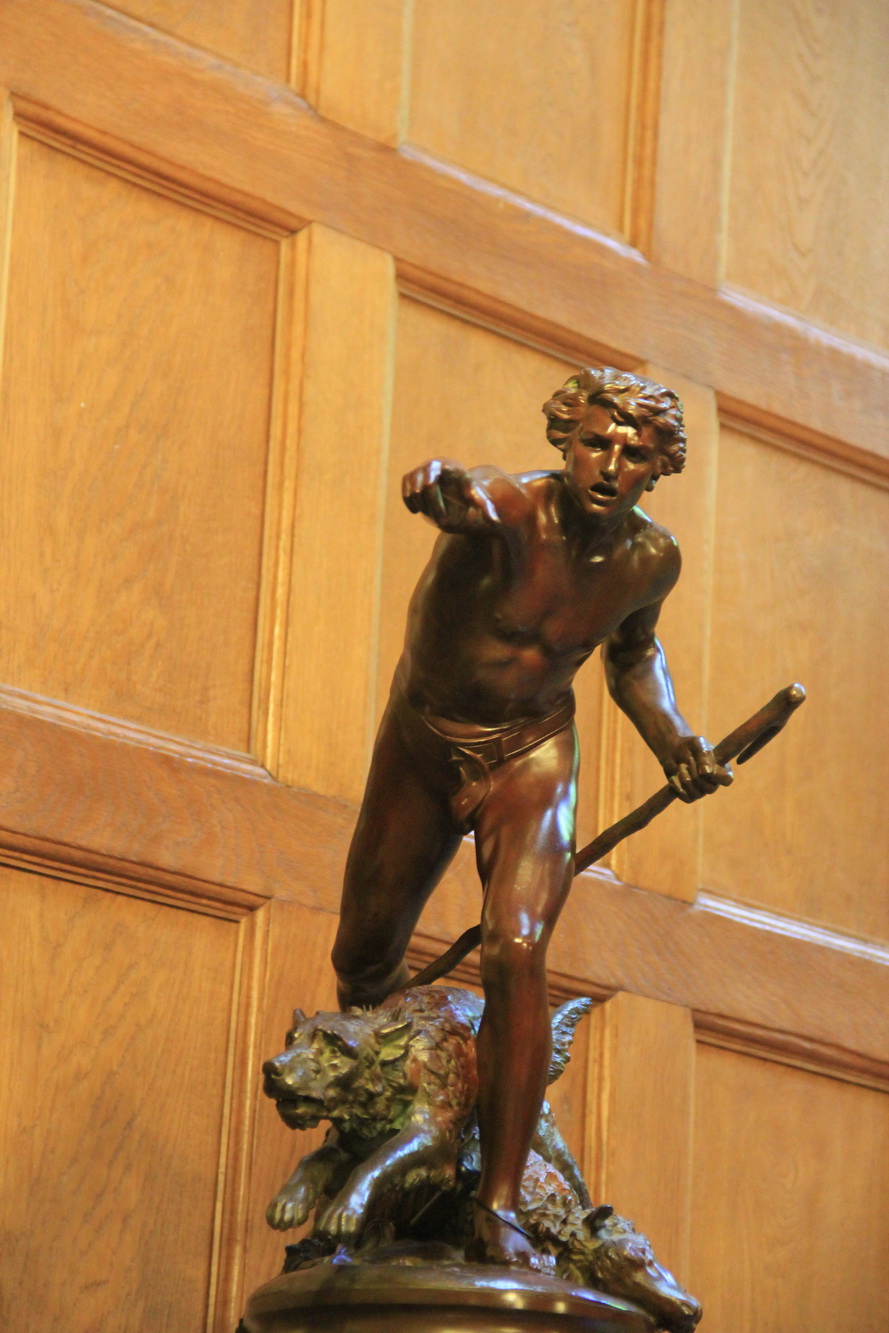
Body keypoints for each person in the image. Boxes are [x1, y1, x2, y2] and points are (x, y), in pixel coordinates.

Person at [331, 367, 732, 1265]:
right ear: (566, 439)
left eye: (633, 454)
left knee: (514, 947)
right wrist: (441, 489)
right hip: (426, 740)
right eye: (595, 442)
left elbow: (632, 654)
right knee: (362, 960)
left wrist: (673, 737)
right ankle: (394, 1132)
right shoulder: (510, 509)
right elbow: (468, 495)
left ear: (657, 468)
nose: (609, 466)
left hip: (531, 752)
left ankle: (499, 1201)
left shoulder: (649, 560)